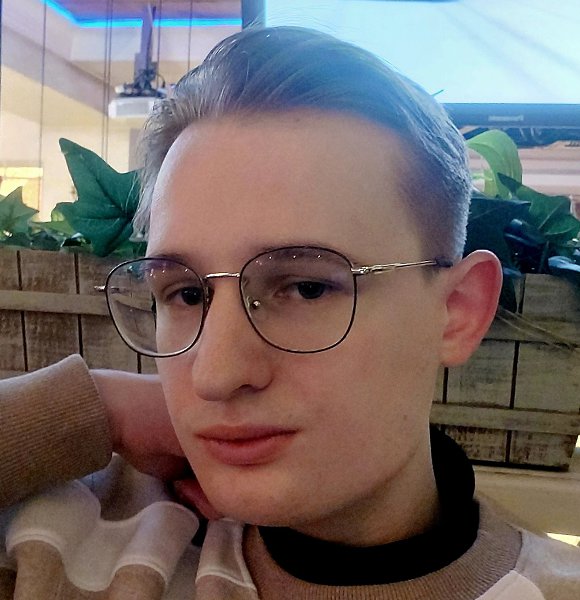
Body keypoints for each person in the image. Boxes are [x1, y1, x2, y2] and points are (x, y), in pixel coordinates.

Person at [1, 25, 579, 600]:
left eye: (305, 288)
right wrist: (100, 407)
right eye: (186, 294)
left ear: (457, 311)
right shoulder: (61, 534)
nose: (215, 375)